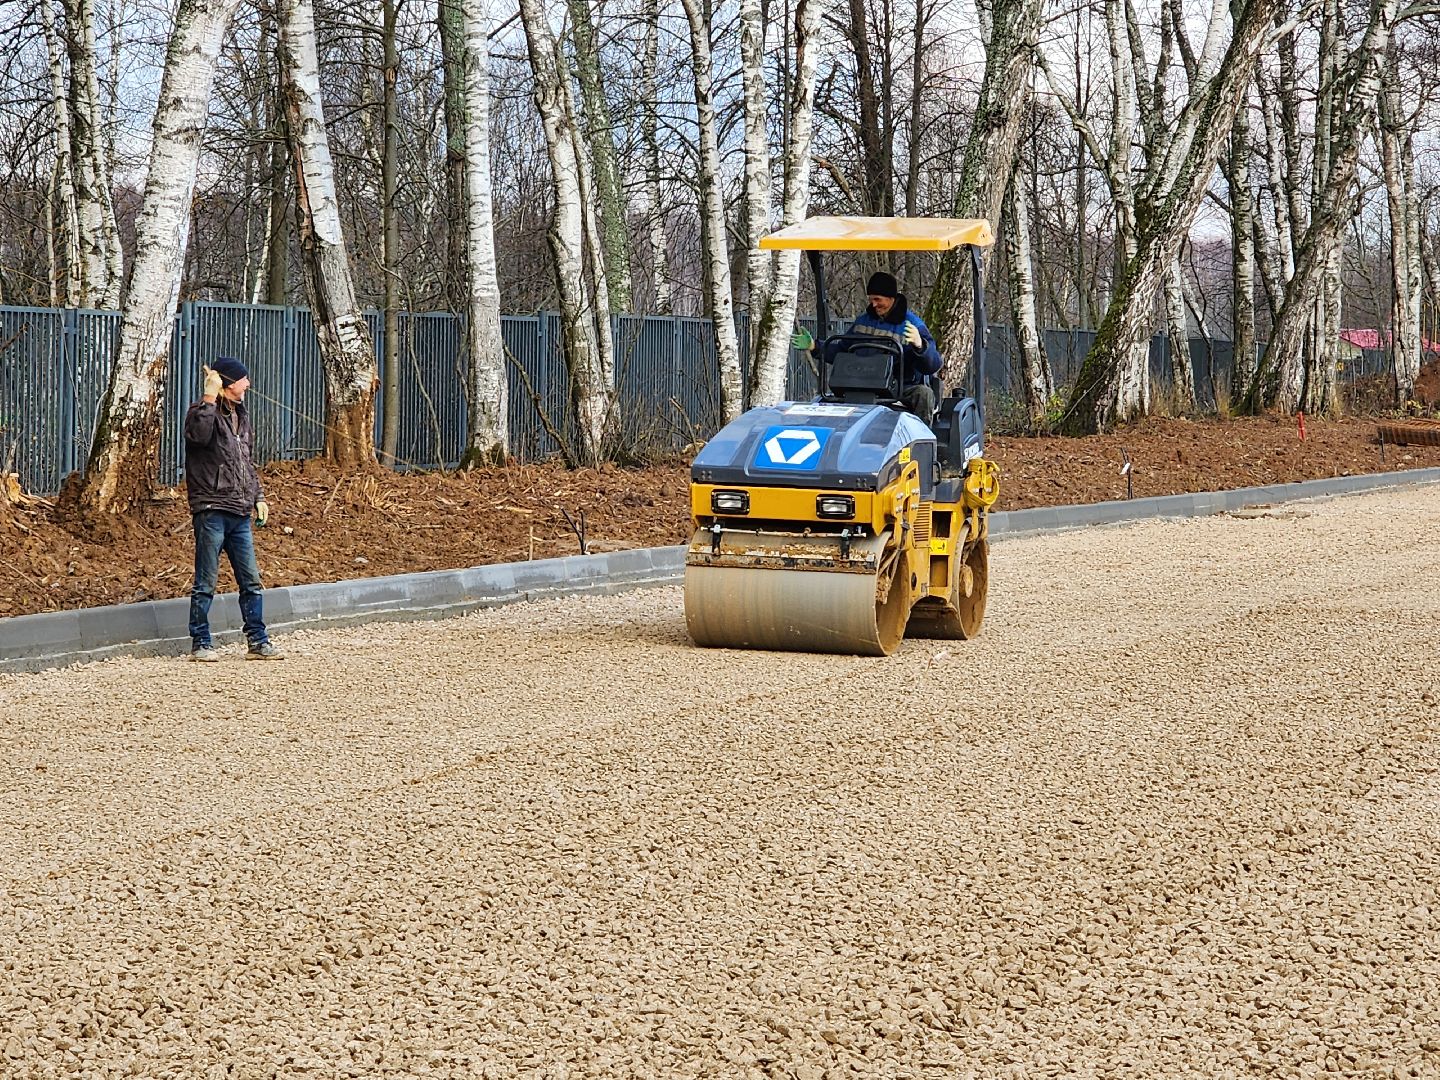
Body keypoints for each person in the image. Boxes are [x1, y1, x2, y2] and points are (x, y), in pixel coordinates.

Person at [183, 356, 283, 662]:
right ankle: (201, 642)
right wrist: (209, 396)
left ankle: (258, 641)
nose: (248, 384)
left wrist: (259, 496)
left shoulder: (242, 415)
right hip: (211, 509)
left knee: (251, 580)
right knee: (206, 582)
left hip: (240, 512)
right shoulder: (201, 412)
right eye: (243, 379)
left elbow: (245, 462)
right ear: (228, 384)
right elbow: (198, 436)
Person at [792, 270, 944, 419]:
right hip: (861, 383)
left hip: (899, 386)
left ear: (891, 298)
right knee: (825, 401)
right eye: (871, 299)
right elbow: (842, 350)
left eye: (878, 299)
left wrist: (920, 346)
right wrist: (815, 346)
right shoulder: (862, 322)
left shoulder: (913, 325)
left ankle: (923, 437)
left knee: (923, 394)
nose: (874, 304)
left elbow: (932, 365)